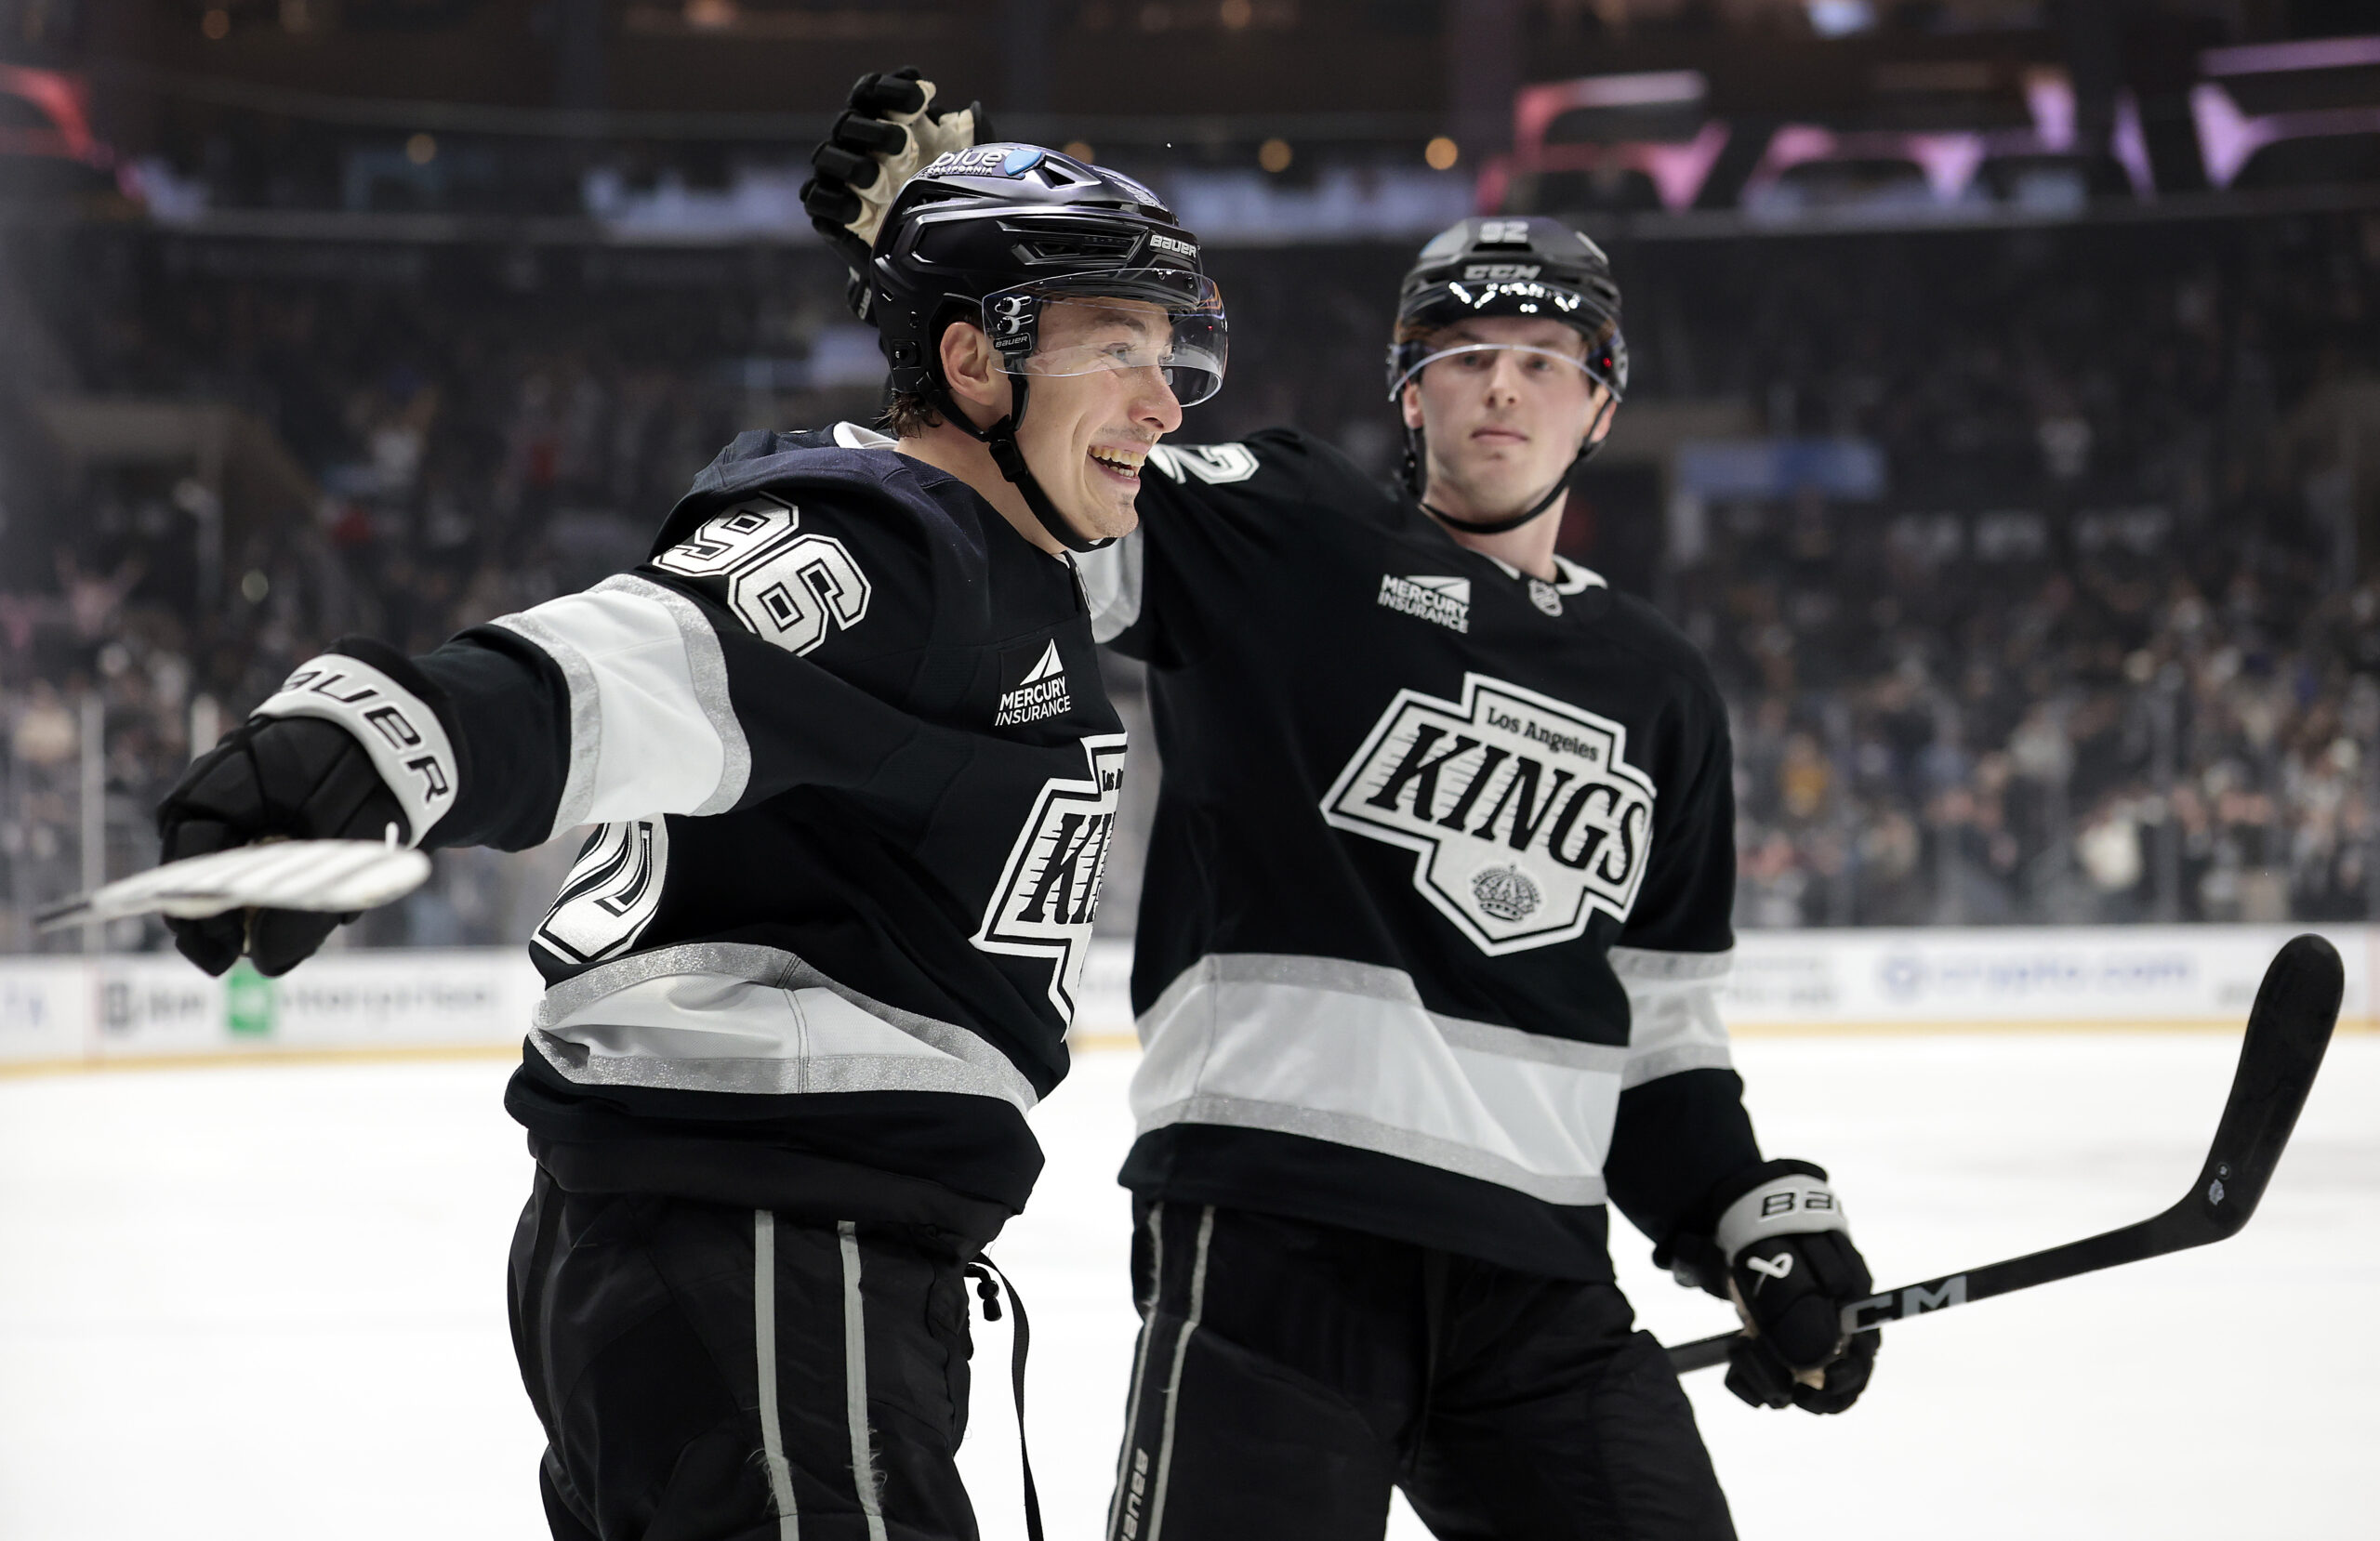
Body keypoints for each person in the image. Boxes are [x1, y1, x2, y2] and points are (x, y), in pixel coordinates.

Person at [807, 87, 1877, 1541]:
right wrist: (966, 299)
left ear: (1601, 403)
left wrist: (1744, 1210)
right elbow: (1035, 502)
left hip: (1541, 1283)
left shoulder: (1664, 686)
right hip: (1270, 1234)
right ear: (1408, 389)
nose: (1502, 388)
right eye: (1463, 354)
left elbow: (1661, 1041)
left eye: (1544, 360)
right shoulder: (1287, 527)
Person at [155, 141, 1226, 1541]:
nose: (1166, 401)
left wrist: (937, 229)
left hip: (750, 1260)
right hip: (768, 1261)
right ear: (978, 365)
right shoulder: (897, 543)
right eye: (1119, 348)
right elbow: (650, 654)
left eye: (1171, 350)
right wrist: (392, 735)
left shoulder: (1006, 561)